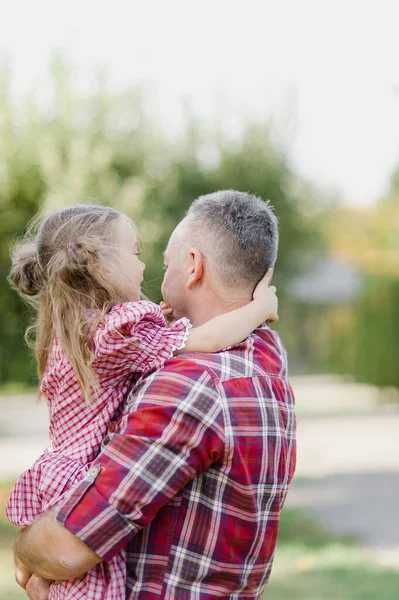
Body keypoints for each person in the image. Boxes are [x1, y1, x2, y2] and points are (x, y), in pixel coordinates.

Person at [14, 190, 296, 600]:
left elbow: (68, 547)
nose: (148, 270)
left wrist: (27, 550)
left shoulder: (191, 385)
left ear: (193, 267)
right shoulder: (266, 365)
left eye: (162, 262)